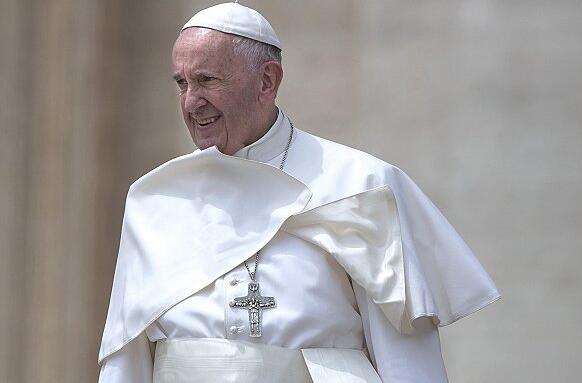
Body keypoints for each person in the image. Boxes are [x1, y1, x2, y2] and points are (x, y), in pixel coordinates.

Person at [97, 3, 499, 383]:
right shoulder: (156, 199)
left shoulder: (362, 185)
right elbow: (125, 353)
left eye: (207, 80)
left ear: (267, 81)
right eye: (182, 83)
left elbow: (407, 361)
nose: (191, 102)